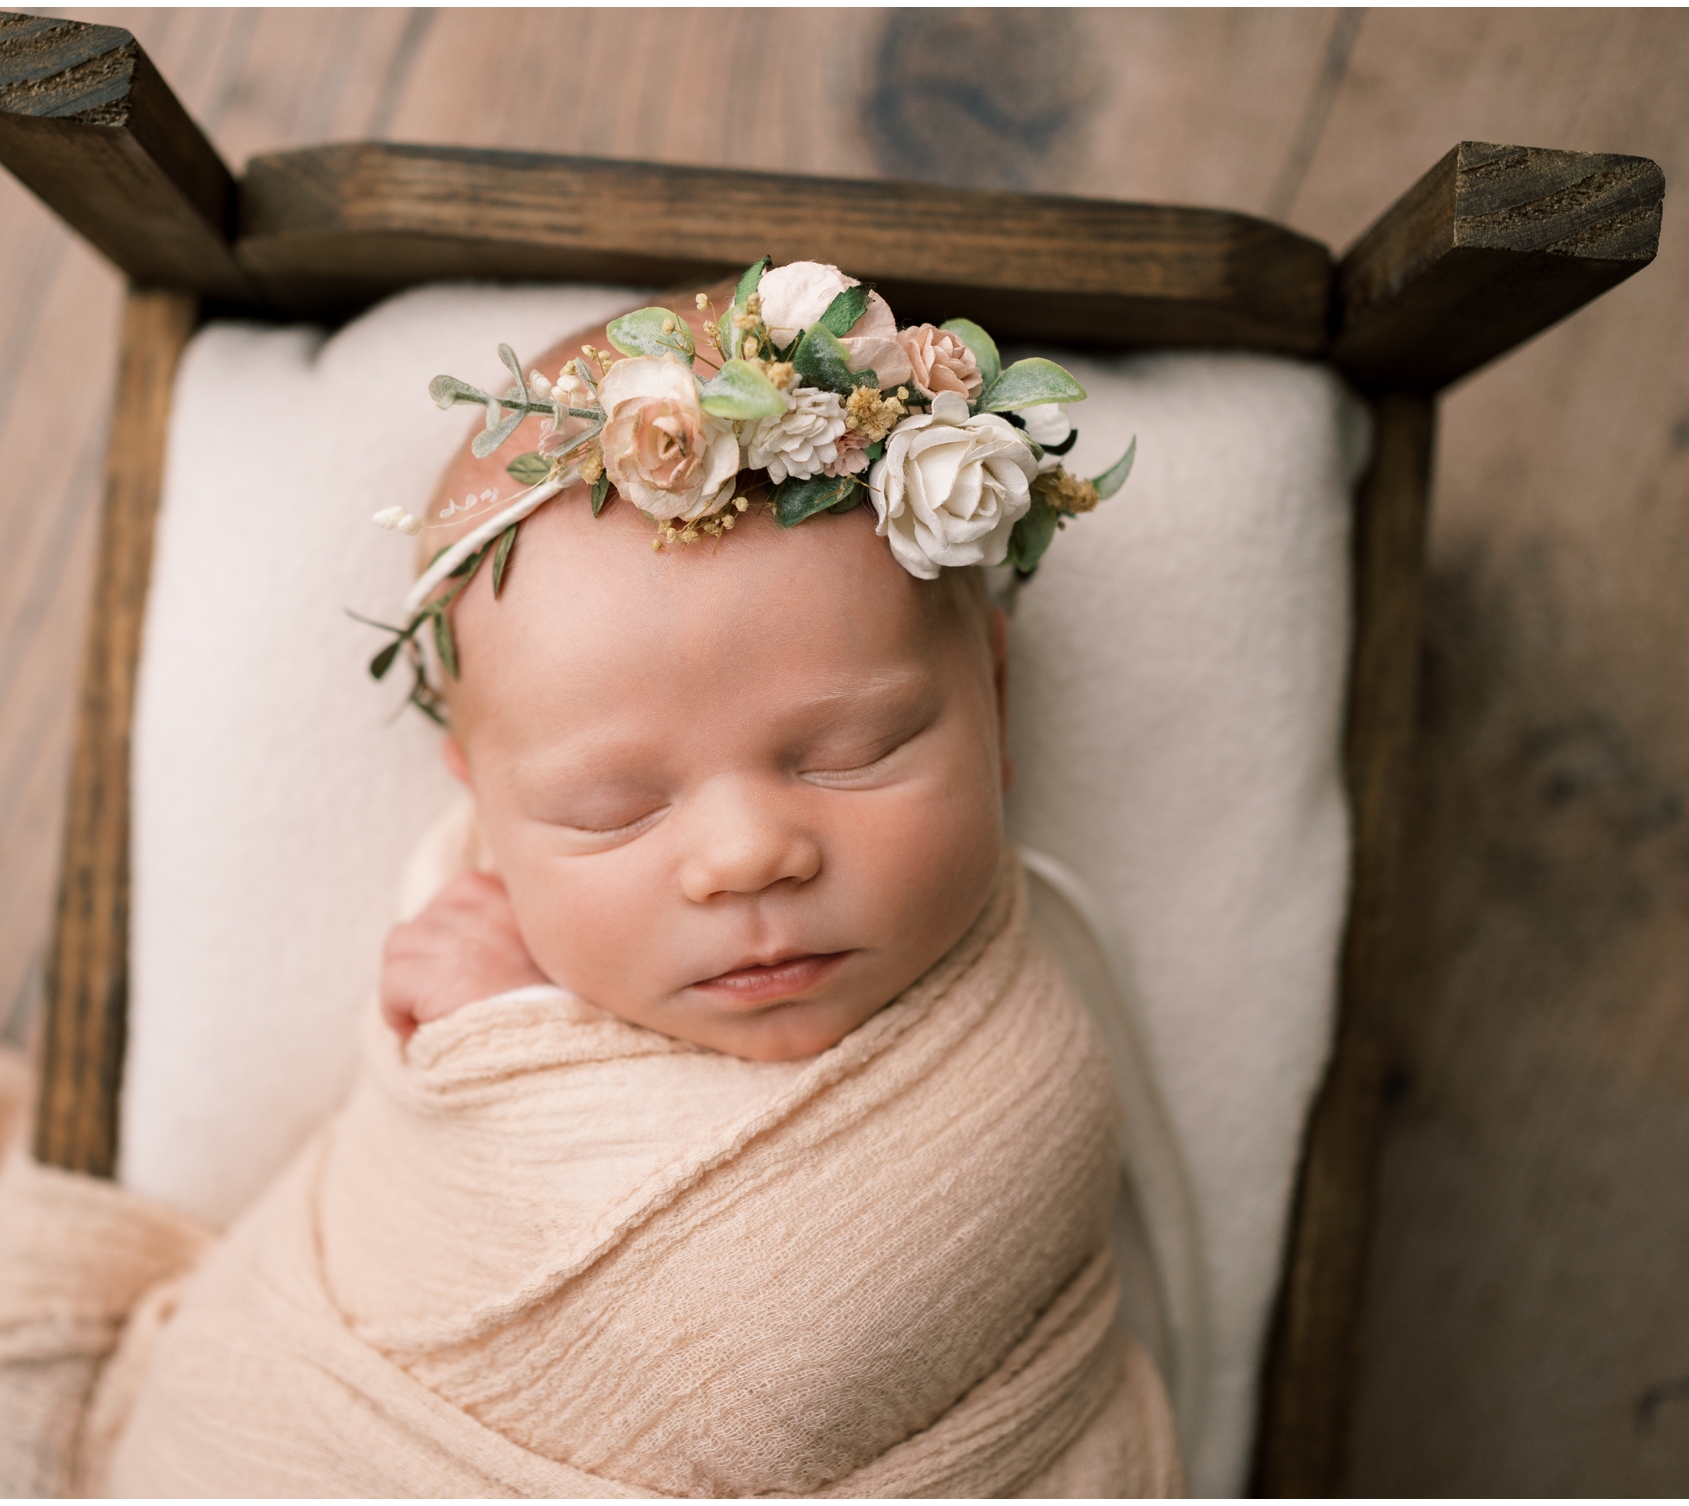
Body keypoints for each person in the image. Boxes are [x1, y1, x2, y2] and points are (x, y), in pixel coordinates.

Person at [102, 267, 1179, 1497]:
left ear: (993, 696)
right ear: (485, 813)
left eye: (852, 752)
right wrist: (500, 1047)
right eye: (608, 811)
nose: (742, 858)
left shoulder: (1016, 1084)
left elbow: (789, 1360)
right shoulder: (462, 947)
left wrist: (509, 1024)